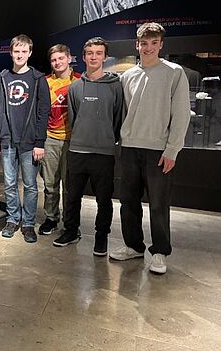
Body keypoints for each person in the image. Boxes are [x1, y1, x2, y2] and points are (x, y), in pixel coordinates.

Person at [110, 22, 190, 274]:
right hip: (130, 148)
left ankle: (160, 252)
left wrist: (172, 150)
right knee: (128, 201)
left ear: (161, 45)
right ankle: (133, 245)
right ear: (137, 45)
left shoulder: (174, 73)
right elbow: (123, 112)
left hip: (158, 151)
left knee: (158, 204)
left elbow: (181, 114)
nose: (148, 48)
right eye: (144, 43)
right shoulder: (127, 76)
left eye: (154, 43)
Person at [52, 37, 122, 256]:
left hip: (104, 152)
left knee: (104, 199)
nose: (94, 57)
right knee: (72, 196)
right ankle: (71, 231)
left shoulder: (116, 86)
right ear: (83, 57)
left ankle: (101, 237)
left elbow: (118, 118)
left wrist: (106, 138)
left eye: (98, 53)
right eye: (90, 53)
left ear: (105, 57)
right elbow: (74, 118)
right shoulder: (75, 87)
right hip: (77, 150)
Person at [0, 34, 50, 243]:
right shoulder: (2, 78)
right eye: (16, 51)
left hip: (29, 142)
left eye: (24, 51)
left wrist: (39, 142)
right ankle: (13, 219)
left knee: (30, 185)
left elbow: (43, 112)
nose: (20, 55)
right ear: (11, 52)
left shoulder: (37, 79)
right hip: (7, 139)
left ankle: (28, 223)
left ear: (30, 53)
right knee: (9, 184)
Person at [38, 44, 81, 235]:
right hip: (50, 139)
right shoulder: (45, 82)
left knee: (70, 187)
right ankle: (51, 218)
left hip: (73, 141)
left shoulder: (80, 80)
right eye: (54, 60)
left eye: (61, 58)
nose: (57, 62)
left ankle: (70, 224)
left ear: (69, 58)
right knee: (50, 185)